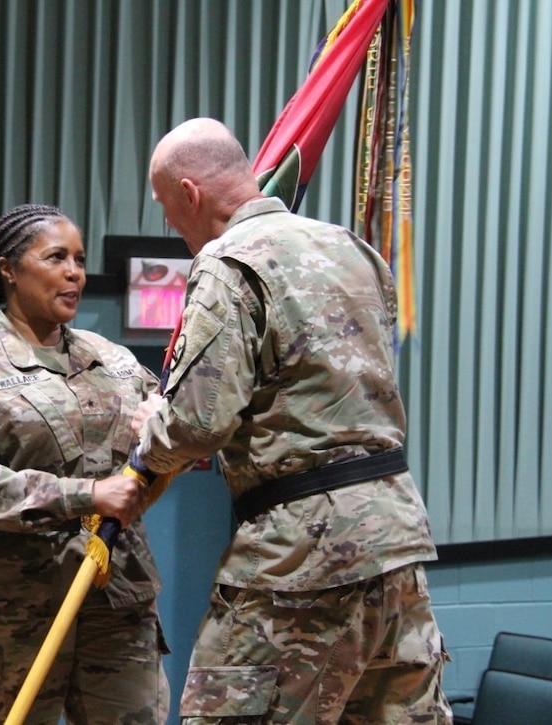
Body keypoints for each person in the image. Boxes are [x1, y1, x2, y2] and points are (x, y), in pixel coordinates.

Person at [132, 117, 451, 724]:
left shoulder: (227, 264)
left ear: (190, 194)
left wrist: (151, 430)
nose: (172, 226)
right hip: (396, 540)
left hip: (303, 553)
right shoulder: (353, 250)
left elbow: (199, 424)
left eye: (167, 208)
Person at [0, 203, 169, 724]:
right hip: (15, 618)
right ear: (9, 268)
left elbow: (180, 434)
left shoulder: (114, 359)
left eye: (78, 259)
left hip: (115, 605)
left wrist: (168, 426)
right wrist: (86, 496)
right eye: (56, 257)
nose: (74, 271)